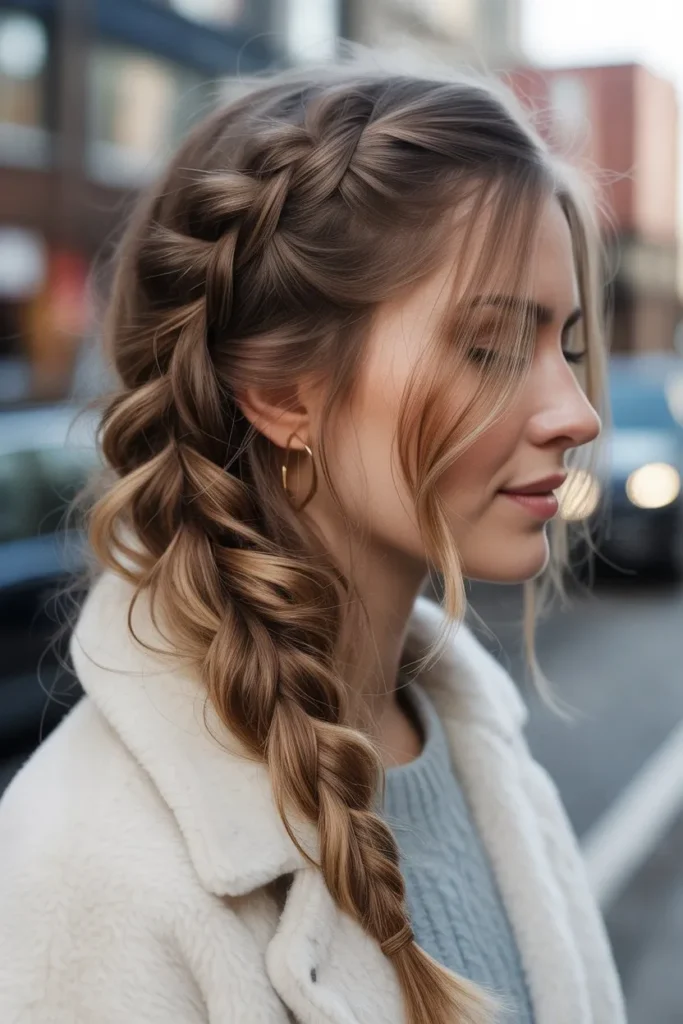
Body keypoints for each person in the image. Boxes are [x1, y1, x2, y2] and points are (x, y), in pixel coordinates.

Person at [0, 58, 626, 1024]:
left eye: (568, 347)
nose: (577, 412)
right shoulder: (87, 874)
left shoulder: (485, 757)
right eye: (491, 346)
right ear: (283, 392)